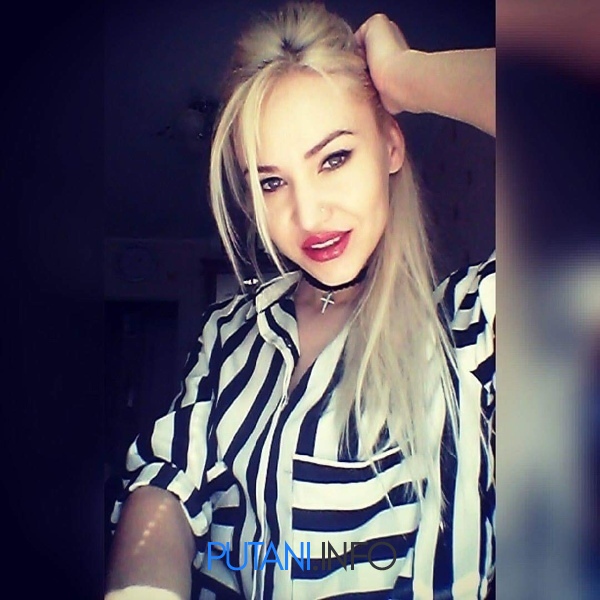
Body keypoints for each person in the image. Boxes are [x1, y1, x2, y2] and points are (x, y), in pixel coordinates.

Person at [105, 3, 495, 599]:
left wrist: (406, 75)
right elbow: (168, 483)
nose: (308, 215)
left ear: (391, 146)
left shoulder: (472, 334)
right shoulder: (231, 330)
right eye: (271, 182)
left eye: (334, 158)